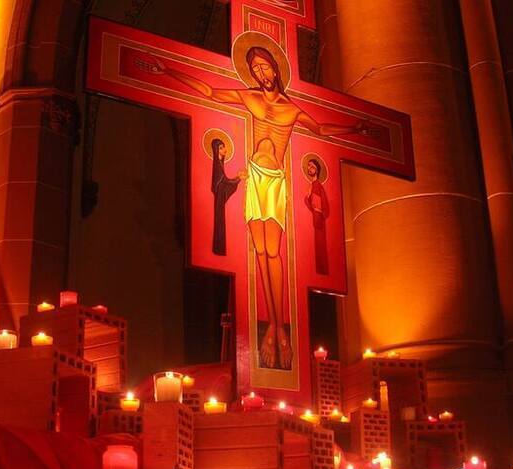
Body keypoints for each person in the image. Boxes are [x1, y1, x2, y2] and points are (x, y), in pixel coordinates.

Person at [139, 45, 371, 369]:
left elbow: (320, 129)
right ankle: (273, 325)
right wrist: (168, 70)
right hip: (255, 176)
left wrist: (354, 129)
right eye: (255, 69)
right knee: (260, 252)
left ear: (275, 68)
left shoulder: (291, 110)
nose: (261, 73)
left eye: (265, 67)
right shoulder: (250, 98)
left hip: (274, 181)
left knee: (273, 252)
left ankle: (278, 326)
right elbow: (210, 91)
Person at [211, 138, 241, 256]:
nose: (224, 149)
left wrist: (237, 179)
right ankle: (218, 248)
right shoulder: (217, 166)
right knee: (219, 221)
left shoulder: (220, 163)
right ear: (216, 150)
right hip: (219, 196)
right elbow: (224, 181)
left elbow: (225, 181)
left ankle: (219, 248)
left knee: (220, 221)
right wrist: (238, 178)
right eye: (221, 148)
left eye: (224, 147)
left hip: (220, 195)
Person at [304, 158, 329, 275]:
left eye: (312, 167)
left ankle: (322, 270)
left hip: (319, 220)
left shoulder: (318, 185)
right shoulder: (312, 185)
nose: (309, 168)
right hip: (316, 218)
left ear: (317, 170)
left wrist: (318, 212)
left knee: (320, 245)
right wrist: (307, 197)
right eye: (308, 166)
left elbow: (324, 206)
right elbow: (310, 203)